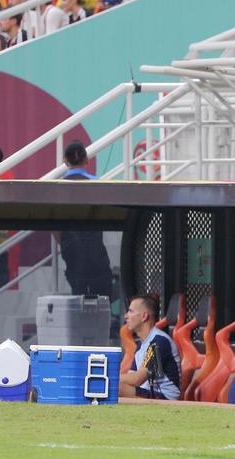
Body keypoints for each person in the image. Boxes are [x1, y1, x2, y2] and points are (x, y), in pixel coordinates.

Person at [58, 140, 112, 295]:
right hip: (94, 246)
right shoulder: (98, 184)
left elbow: (54, 224)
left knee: (78, 293)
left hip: (70, 247)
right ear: (86, 160)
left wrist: (64, 242)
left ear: (65, 161)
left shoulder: (57, 187)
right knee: (102, 294)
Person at [118, 294, 182, 400]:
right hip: (147, 393)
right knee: (114, 386)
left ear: (144, 316)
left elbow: (137, 379)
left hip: (165, 398)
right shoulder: (140, 346)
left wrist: (108, 377)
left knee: (114, 387)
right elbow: (131, 377)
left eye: (130, 311)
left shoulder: (158, 342)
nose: (126, 316)